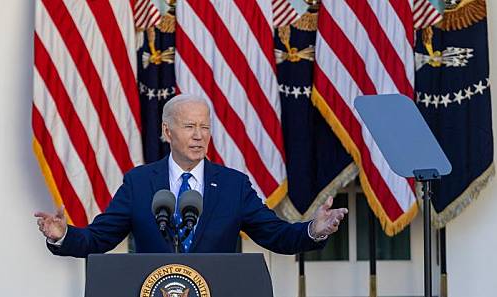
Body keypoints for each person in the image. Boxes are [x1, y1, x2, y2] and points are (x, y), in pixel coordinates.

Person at [35, 94, 347, 257]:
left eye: (205, 127)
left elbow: (275, 235)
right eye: (189, 127)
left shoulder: (232, 185)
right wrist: (63, 235)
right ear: (166, 131)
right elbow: (99, 238)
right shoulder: (139, 183)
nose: (199, 136)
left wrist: (313, 230)